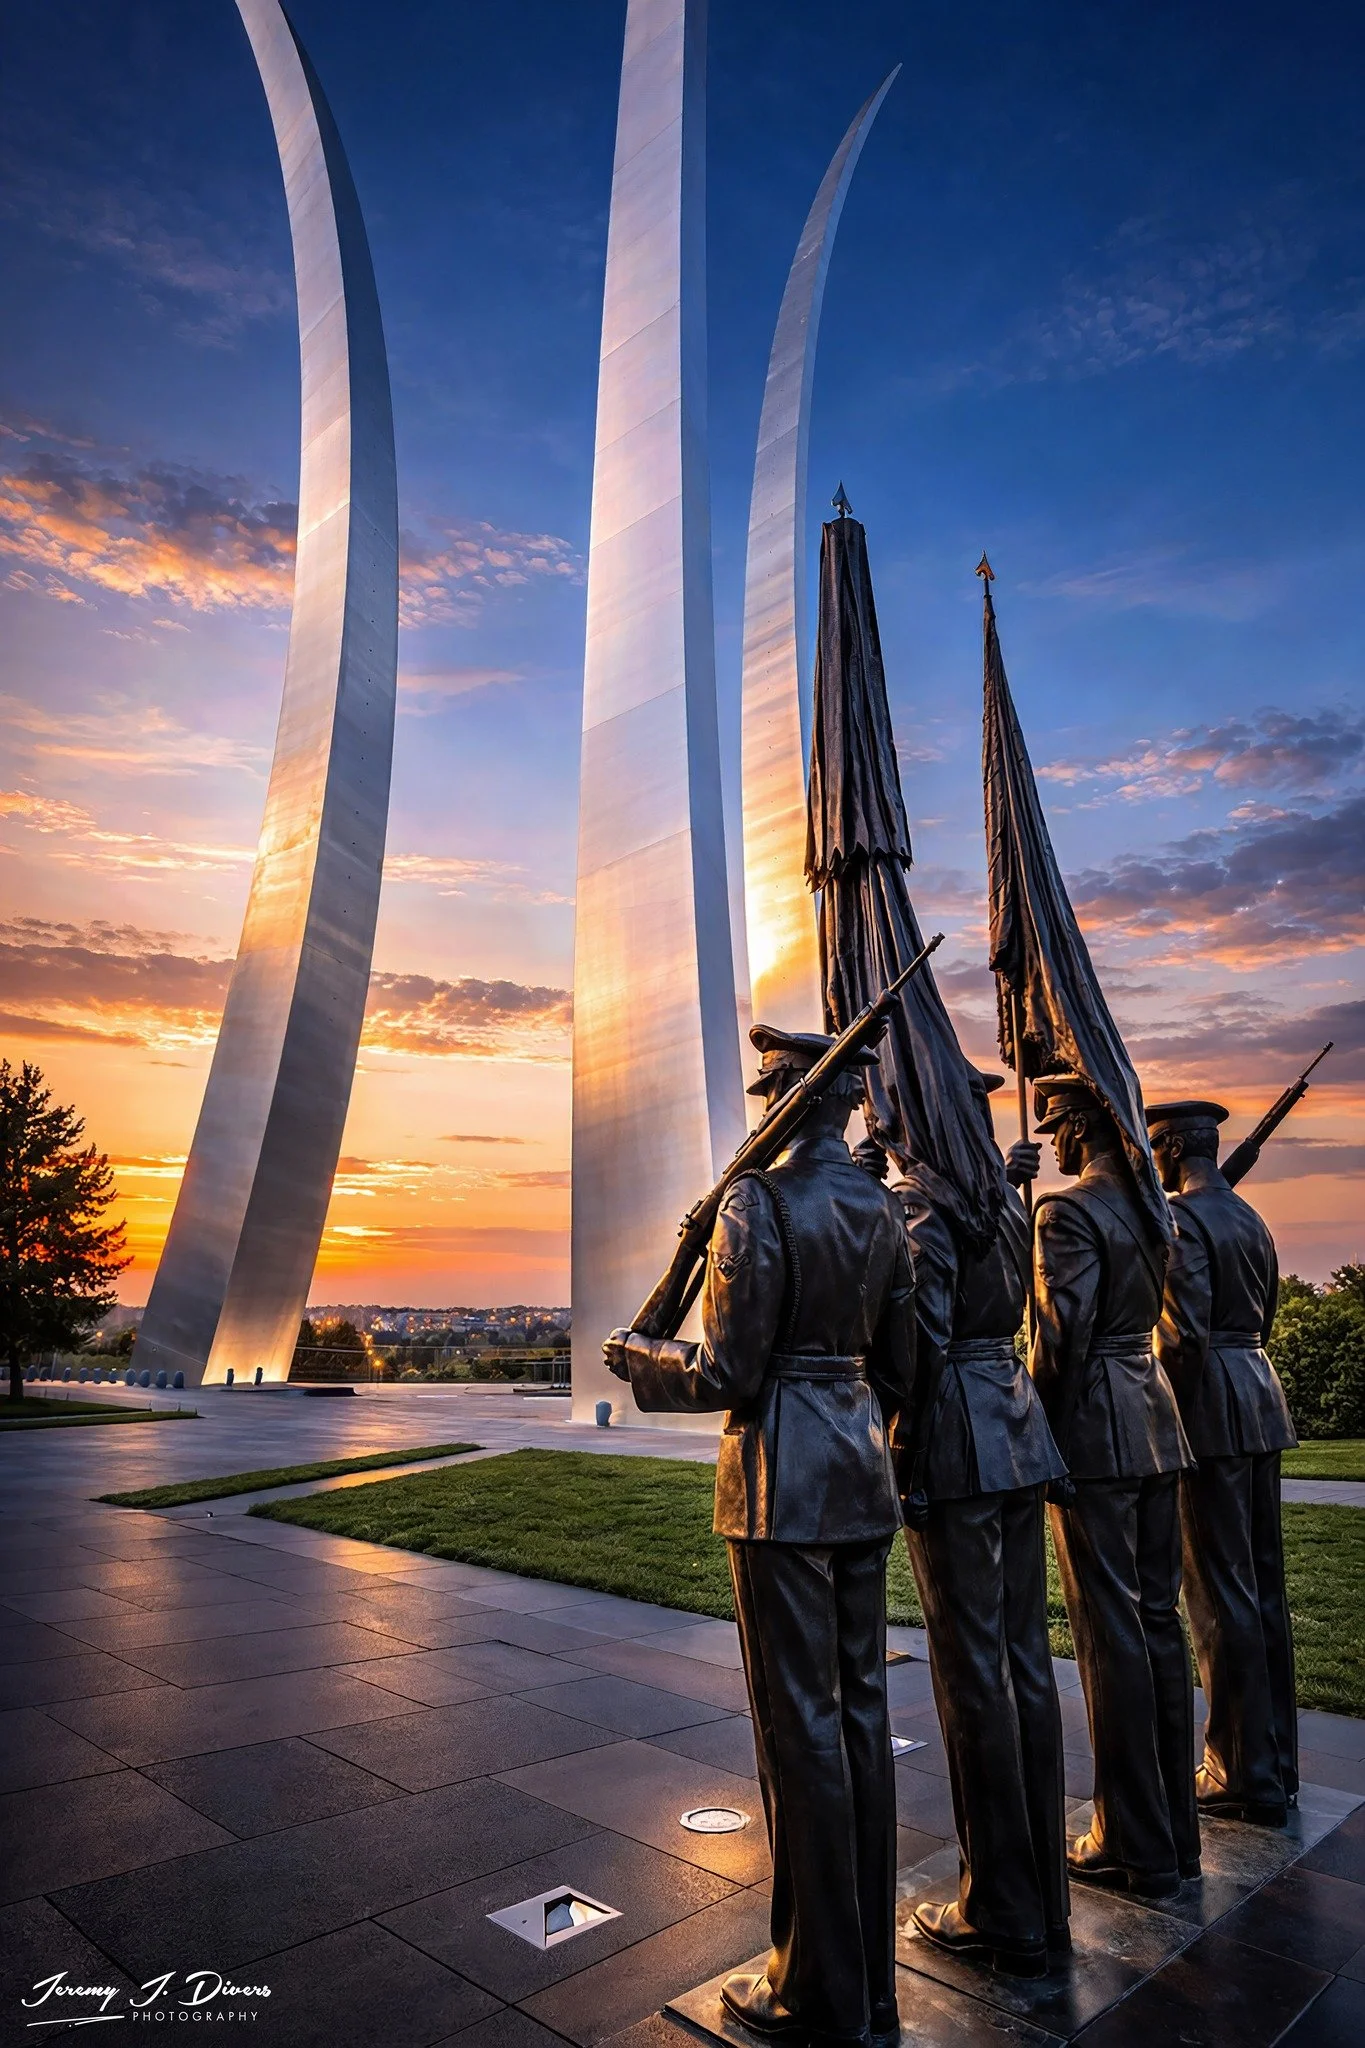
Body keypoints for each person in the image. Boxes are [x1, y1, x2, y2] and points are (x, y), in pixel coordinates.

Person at [605, 1026, 916, 2048]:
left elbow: (728, 1372)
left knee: (802, 1732)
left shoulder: (757, 1201)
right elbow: (902, 1364)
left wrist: (644, 1359)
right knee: (860, 1722)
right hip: (862, 1476)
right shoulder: (882, 1204)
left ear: (781, 1095)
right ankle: (865, 1986)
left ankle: (814, 1990)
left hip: (782, 1481)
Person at [874, 1070, 1070, 1976]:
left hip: (957, 1439)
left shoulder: (922, 1203)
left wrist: (901, 1461)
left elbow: (917, 1347)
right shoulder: (999, 1195)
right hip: (1017, 1432)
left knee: (972, 1677)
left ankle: (997, 1904)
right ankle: (1039, 1900)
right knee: (1023, 1663)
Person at [1030, 1073, 1199, 1899]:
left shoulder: (1067, 1211)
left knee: (1111, 1635)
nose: (1050, 1137)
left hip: (1096, 1426)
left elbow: (1060, 1337)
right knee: (1158, 1624)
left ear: (1076, 1127)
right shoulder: (1150, 1207)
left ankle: (1129, 1839)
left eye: (1054, 1122)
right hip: (1154, 1418)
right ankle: (1173, 1833)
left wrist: (1040, 1436)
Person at [1147, 1098, 1298, 1826]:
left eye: (1155, 1148)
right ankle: (1273, 1761)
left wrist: (1156, 1413)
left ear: (1174, 1148)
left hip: (1209, 1410)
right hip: (1259, 1398)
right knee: (1262, 1589)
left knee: (1216, 1594)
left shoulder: (1181, 1219)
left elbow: (1180, 1338)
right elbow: (1259, 1314)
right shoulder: (1248, 1217)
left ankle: (1237, 1770)